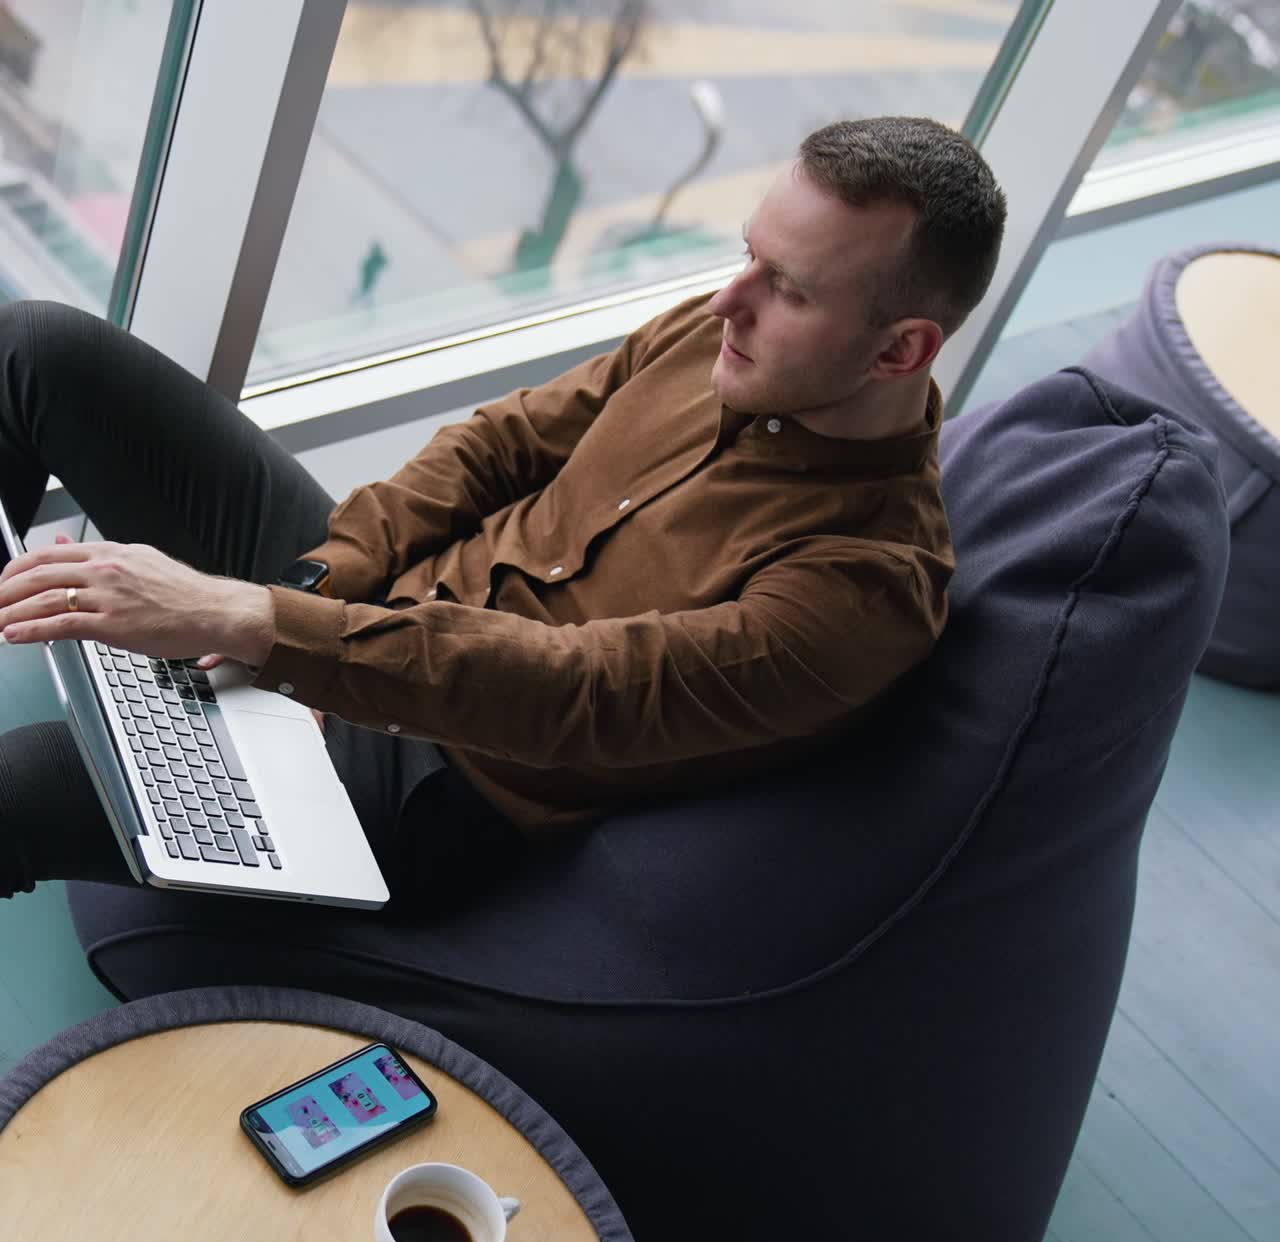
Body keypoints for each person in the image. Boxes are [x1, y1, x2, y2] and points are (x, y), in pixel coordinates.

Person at [0, 116, 1006, 904]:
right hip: (360, 607)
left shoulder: (860, 591)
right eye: (747, 255)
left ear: (900, 350)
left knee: (12, 788)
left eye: (784, 287)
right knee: (36, 348)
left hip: (420, 784)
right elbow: (505, 441)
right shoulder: (727, 342)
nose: (724, 303)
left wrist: (258, 623)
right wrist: (311, 584)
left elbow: (581, 691)